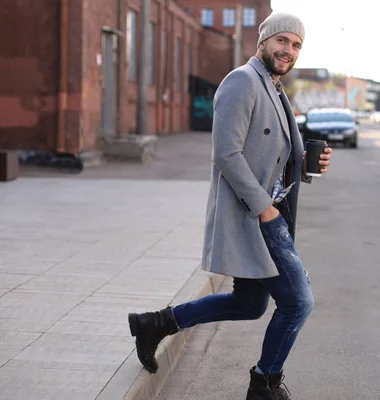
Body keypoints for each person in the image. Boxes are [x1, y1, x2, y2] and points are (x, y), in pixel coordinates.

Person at [127, 12, 332, 400]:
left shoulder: (274, 87)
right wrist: (263, 209)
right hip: (257, 216)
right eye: (282, 41)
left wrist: (308, 165)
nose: (288, 50)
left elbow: (272, 154)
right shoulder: (242, 81)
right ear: (264, 42)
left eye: (296, 45)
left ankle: (156, 324)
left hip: (273, 213)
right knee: (298, 302)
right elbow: (226, 153)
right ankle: (264, 383)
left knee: (250, 303)